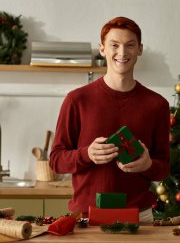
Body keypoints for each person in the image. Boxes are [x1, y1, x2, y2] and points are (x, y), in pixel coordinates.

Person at [49, 16, 170, 223]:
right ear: (102, 49)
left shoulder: (157, 105)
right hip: (86, 217)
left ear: (140, 49)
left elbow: (164, 167)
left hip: (139, 218)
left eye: (130, 45)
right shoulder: (77, 100)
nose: (122, 53)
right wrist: (87, 154)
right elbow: (56, 160)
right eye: (114, 45)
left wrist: (148, 165)